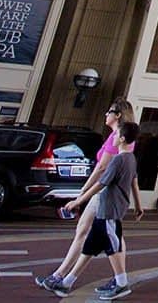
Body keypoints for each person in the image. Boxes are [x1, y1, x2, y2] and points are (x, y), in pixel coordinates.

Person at [38, 101, 134, 294]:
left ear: (118, 115)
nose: (106, 114)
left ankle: (63, 277)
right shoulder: (121, 139)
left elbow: (101, 169)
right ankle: (65, 279)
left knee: (92, 234)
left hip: (103, 195)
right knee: (97, 236)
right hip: (108, 196)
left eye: (110, 111)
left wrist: (81, 194)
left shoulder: (118, 138)